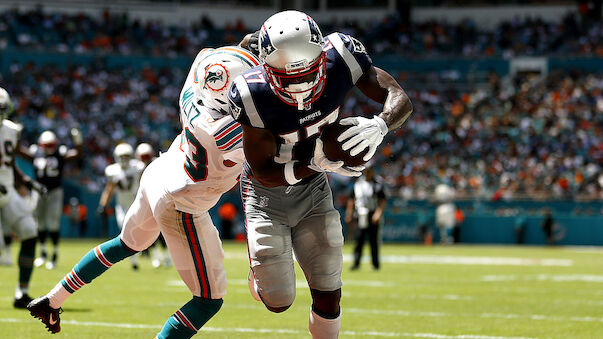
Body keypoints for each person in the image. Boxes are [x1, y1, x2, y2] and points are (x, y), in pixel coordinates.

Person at [27, 45, 260, 338]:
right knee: (208, 301)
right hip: (183, 201)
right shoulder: (237, 133)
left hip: (160, 173)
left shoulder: (194, 86)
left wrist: (240, 55)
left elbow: (206, 54)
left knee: (125, 244)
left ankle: (53, 299)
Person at [229, 11, 412, 338]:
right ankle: (259, 273)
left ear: (320, 55)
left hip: (313, 187)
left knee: (329, 288)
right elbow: (263, 171)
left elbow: (399, 97)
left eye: (307, 71)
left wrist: (381, 124)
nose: (299, 84)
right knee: (278, 301)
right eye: (288, 75)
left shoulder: (341, 55)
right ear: (266, 68)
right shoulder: (251, 92)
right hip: (265, 194)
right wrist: (315, 161)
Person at [0, 87, 47, 308]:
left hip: (8, 192)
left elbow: (9, 163)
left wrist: (26, 181)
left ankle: (22, 292)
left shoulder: (11, 130)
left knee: (29, 234)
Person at [19, 129, 82, 270]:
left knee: (53, 222)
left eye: (51, 144)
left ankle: (54, 254)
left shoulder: (60, 153)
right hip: (38, 190)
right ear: (41, 144)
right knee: (39, 223)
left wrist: (78, 141)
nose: (49, 148)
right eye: (46, 145)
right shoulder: (36, 153)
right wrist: (17, 135)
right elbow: (18, 151)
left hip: (55, 191)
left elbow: (78, 154)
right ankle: (42, 253)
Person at [98, 142, 145, 270]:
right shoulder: (113, 171)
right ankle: (134, 259)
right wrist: (103, 204)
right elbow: (109, 189)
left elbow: (144, 184)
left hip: (136, 202)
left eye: (126, 156)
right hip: (122, 205)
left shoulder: (137, 167)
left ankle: (144, 248)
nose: (124, 159)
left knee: (141, 227)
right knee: (124, 229)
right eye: (121, 156)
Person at [136, 142, 171, 268]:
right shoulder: (137, 168)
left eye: (147, 156)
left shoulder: (158, 163)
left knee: (162, 233)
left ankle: (166, 258)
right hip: (147, 202)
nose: (145, 160)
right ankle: (157, 257)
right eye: (143, 157)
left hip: (160, 200)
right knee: (150, 232)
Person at [345, 167, 386, 271]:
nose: (368, 173)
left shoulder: (377, 184)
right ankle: (356, 263)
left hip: (372, 213)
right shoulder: (358, 183)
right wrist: (349, 213)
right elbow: (352, 199)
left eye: (370, 171)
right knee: (359, 240)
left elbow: (382, 200)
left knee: (373, 240)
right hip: (360, 214)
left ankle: (375, 264)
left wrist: (378, 213)